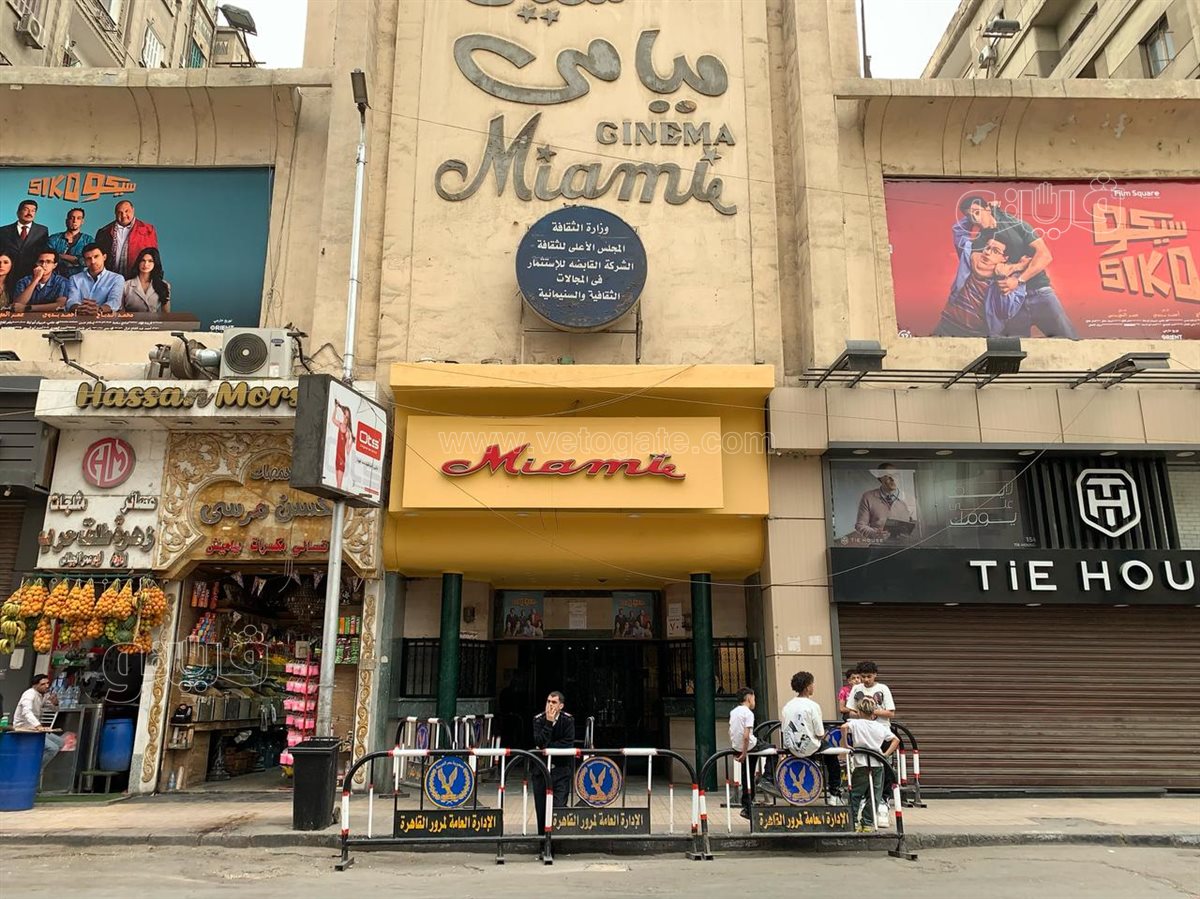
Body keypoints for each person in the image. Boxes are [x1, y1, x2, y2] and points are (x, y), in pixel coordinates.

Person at [956, 196, 1077, 338]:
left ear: (987, 209)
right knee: (1013, 348)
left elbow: (1045, 256)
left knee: (1069, 341)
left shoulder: (1015, 225)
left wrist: (1017, 278)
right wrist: (1020, 265)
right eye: (969, 216)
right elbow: (981, 270)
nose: (975, 219)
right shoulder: (979, 241)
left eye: (977, 212)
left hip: (1039, 292)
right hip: (1010, 302)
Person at [933, 227, 1027, 337]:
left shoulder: (1014, 279)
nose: (987, 252)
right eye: (987, 247)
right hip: (946, 324)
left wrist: (1001, 277)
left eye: (995, 251)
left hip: (976, 335)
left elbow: (1006, 312)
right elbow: (959, 232)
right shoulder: (972, 258)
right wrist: (977, 217)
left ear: (1005, 258)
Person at [781, 671, 845, 804]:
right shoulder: (813, 706)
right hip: (811, 746)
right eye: (812, 684)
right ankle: (834, 793)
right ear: (807, 687)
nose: (813, 686)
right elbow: (820, 733)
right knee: (832, 758)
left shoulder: (787, 706)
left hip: (791, 747)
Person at [840, 697, 899, 831]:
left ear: (859, 712)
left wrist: (846, 744)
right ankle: (867, 822)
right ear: (873, 713)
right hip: (877, 763)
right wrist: (886, 754)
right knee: (875, 794)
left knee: (856, 793)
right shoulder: (880, 726)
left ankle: (853, 821)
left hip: (861, 763)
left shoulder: (855, 723)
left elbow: (843, 727)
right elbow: (896, 740)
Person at [532, 691, 575, 836]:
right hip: (541, 771)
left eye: (554, 702)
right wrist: (549, 723)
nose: (550, 705)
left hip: (561, 770)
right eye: (548, 701)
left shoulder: (568, 720)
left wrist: (548, 747)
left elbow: (567, 744)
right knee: (541, 809)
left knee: (558, 806)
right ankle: (542, 841)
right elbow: (539, 742)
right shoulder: (539, 720)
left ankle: (556, 840)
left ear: (561, 706)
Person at [95, 200, 159, 278]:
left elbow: (153, 256)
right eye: (120, 212)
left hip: (137, 278)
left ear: (133, 210)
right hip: (110, 278)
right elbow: (97, 257)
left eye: (126, 211)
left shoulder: (148, 229)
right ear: (115, 214)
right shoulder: (104, 232)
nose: (124, 215)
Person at [729, 686, 766, 819]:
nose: (755, 701)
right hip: (749, 745)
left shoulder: (733, 712)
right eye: (754, 698)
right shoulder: (748, 713)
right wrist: (744, 753)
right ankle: (768, 779)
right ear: (749, 698)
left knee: (746, 774)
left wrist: (737, 749)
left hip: (738, 746)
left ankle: (746, 806)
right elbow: (746, 736)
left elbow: (731, 731)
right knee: (772, 750)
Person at [13, 674, 64, 770]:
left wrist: (55, 703)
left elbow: (54, 709)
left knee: (60, 742)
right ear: (35, 685)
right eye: (43, 684)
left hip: (35, 729)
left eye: (47, 683)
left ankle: (36, 761)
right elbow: (26, 712)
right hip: (24, 728)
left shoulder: (42, 695)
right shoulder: (29, 694)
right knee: (52, 748)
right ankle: (34, 769)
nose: (46, 686)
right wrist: (38, 726)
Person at [855, 463, 916, 540]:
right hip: (878, 544)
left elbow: (917, 524)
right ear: (880, 478)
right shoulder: (868, 497)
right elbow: (860, 525)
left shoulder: (910, 499)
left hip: (904, 544)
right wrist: (875, 534)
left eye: (895, 475)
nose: (893, 479)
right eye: (887, 476)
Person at [0, 200, 49, 294]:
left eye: (33, 210)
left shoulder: (42, 231)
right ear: (18, 212)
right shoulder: (3, 231)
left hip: (30, 275)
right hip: (8, 276)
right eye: (26, 209)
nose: (29, 213)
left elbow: (43, 253)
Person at [66, 244, 124, 316]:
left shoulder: (117, 278)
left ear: (104, 257)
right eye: (88, 258)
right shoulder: (75, 278)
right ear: (84, 261)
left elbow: (115, 301)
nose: (93, 261)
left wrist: (99, 309)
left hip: (105, 318)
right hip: (80, 317)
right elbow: (71, 301)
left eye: (96, 256)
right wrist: (80, 309)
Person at [47, 207, 93, 278]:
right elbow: (47, 258)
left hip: (80, 279)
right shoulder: (54, 238)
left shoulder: (88, 240)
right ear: (66, 221)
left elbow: (90, 261)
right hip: (55, 278)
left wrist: (62, 256)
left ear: (82, 221)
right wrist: (75, 260)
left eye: (78, 218)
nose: (75, 221)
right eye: (72, 218)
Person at [121, 247, 170, 313]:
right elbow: (121, 312)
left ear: (155, 263)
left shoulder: (164, 285)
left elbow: (166, 314)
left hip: (154, 319)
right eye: (143, 260)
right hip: (132, 319)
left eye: (150, 261)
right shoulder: (126, 285)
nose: (146, 264)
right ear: (138, 262)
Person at [332, 401, 353, 489]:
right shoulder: (340, 425)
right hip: (337, 457)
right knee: (337, 485)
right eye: (344, 415)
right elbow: (333, 419)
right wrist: (336, 408)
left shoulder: (348, 432)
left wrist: (352, 442)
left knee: (339, 486)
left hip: (341, 459)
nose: (345, 417)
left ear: (348, 418)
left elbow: (347, 451)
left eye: (347, 417)